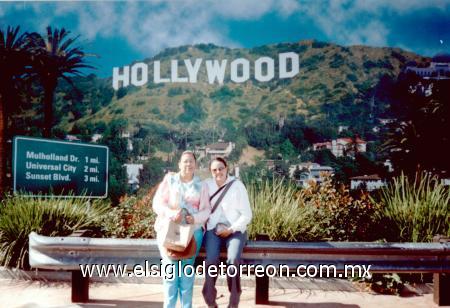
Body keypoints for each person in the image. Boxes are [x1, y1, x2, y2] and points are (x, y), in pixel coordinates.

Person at [152, 150, 210, 308]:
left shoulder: (202, 185)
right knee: (170, 273)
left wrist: (195, 218)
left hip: (192, 233)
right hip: (169, 231)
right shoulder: (170, 180)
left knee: (186, 274)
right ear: (179, 164)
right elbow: (157, 204)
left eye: (191, 161)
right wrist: (171, 214)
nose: (188, 164)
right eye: (185, 161)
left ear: (196, 164)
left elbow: (206, 210)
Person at [202, 157, 253, 308]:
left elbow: (247, 215)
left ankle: (234, 298)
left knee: (233, 260)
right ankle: (210, 298)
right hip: (213, 229)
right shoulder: (207, 185)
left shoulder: (237, 186)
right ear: (211, 172)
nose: (218, 172)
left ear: (226, 169)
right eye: (214, 170)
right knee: (211, 260)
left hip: (235, 229)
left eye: (221, 168)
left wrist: (231, 229)